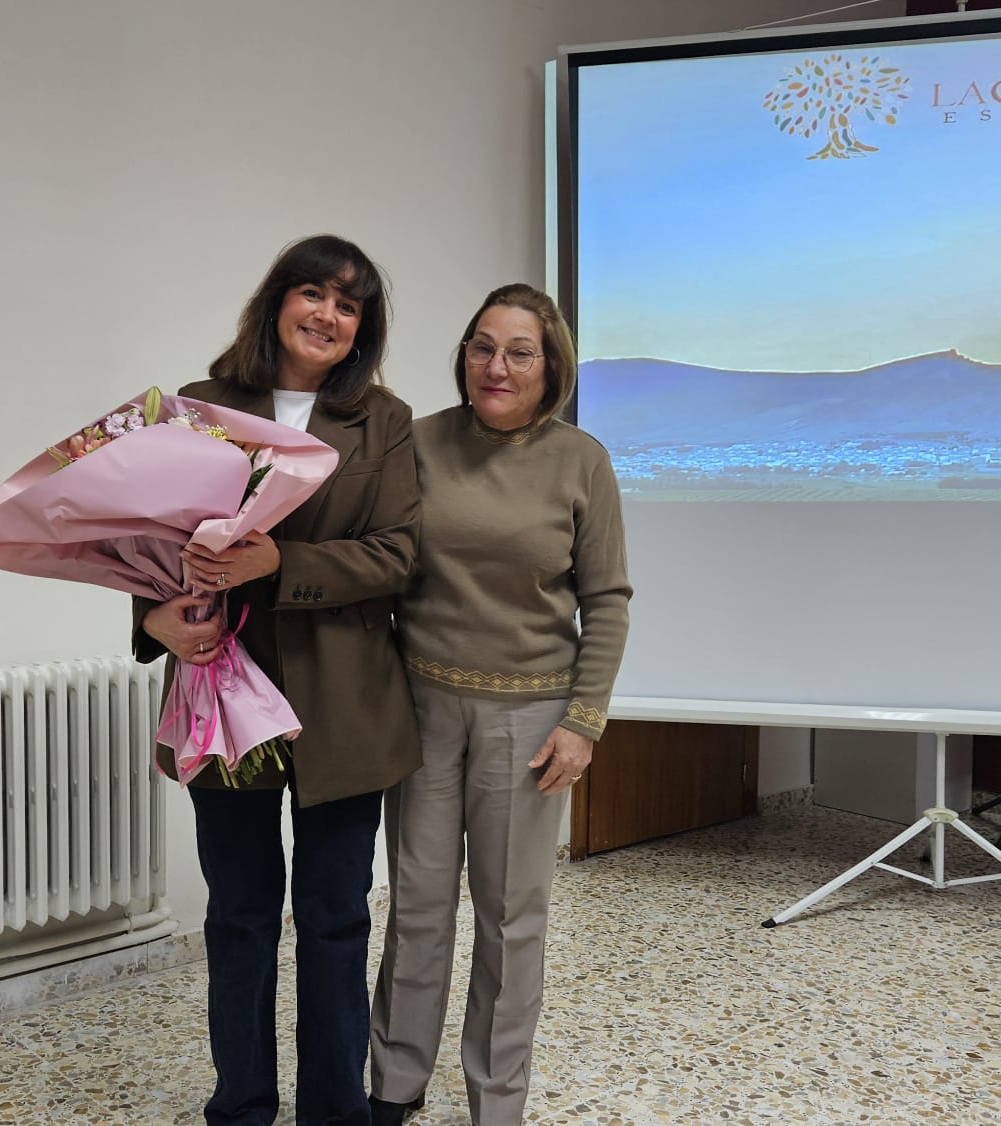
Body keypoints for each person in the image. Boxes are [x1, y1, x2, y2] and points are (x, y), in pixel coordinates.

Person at [135, 234, 422, 1126]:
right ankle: (242, 1107)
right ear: (278, 302)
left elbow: (396, 556)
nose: (328, 315)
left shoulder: (386, 420)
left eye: (349, 304)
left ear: (362, 329)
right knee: (242, 913)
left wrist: (276, 562)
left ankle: (334, 1112)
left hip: (345, 706)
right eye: (314, 293)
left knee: (335, 918)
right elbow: (147, 545)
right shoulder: (200, 406)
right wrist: (151, 622)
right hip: (225, 702)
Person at [367, 283, 632, 1126]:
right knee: (415, 904)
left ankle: (496, 1099)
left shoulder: (581, 460)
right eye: (482, 346)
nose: (496, 365)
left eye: (520, 351)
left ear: (550, 365)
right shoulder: (418, 443)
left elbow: (610, 599)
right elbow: (384, 563)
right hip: (422, 708)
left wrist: (583, 722)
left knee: (513, 919)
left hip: (531, 719)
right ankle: (394, 1083)